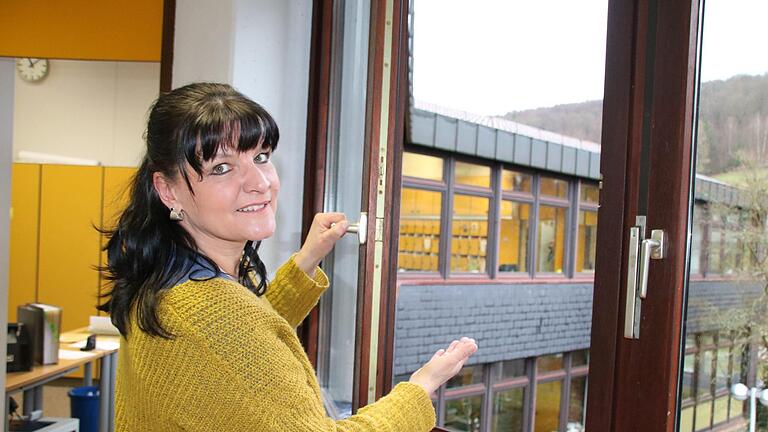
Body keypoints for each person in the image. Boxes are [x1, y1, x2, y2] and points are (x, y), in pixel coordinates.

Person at [99, 82, 477, 431]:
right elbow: (229, 339)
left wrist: (306, 261)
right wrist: (417, 389)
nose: (260, 183)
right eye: (222, 168)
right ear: (168, 190)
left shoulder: (171, 274)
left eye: (261, 156)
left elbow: (241, 353)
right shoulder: (205, 313)